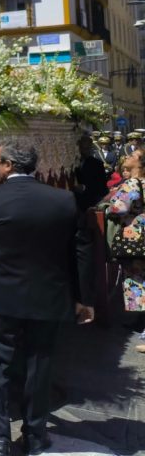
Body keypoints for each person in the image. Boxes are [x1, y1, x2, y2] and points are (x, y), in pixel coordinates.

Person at [0, 137, 94, 456]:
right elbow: (82, 250)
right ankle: (34, 435)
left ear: (8, 165)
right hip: (50, 296)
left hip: (1, 297)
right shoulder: (64, 200)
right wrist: (84, 299)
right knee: (39, 364)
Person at [102, 148, 145, 352]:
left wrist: (111, 201)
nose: (127, 156)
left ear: (141, 164)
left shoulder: (133, 183)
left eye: (133, 155)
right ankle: (141, 321)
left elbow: (118, 207)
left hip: (136, 237)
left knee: (137, 279)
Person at [73, 132, 109, 212]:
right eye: (82, 148)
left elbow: (102, 186)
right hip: (75, 201)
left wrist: (84, 188)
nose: (84, 151)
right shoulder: (73, 162)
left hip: (91, 202)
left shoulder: (97, 164)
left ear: (90, 148)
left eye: (87, 148)